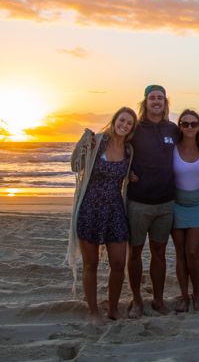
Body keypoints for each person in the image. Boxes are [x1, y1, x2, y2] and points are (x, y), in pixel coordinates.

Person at [67, 106, 137, 320]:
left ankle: (113, 308)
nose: (124, 125)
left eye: (129, 123)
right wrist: (83, 144)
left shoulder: (128, 150)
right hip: (90, 209)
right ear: (114, 120)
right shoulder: (98, 142)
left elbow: (129, 173)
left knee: (118, 262)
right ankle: (93, 310)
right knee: (91, 263)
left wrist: (133, 175)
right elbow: (74, 166)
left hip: (115, 210)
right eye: (122, 120)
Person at [126, 85, 179, 317]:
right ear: (145, 102)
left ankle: (158, 300)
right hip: (138, 202)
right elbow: (115, 146)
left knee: (159, 252)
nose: (156, 101)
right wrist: (124, 172)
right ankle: (137, 300)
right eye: (152, 98)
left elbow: (195, 146)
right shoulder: (135, 129)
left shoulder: (173, 129)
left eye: (160, 98)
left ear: (165, 102)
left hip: (166, 202)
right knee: (135, 252)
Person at [171, 108, 199, 312]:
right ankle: (183, 295)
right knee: (180, 252)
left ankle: (196, 293)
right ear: (179, 127)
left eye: (193, 124)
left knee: (192, 251)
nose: (189, 127)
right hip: (176, 203)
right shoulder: (172, 148)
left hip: (198, 203)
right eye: (184, 124)